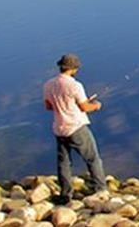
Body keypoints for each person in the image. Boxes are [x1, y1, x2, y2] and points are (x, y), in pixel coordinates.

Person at [43, 53, 107, 203]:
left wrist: (65, 105)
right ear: (74, 69)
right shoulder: (75, 85)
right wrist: (96, 106)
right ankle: (100, 189)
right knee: (92, 158)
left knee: (64, 162)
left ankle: (66, 194)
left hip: (59, 128)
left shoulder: (48, 84)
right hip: (76, 127)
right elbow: (85, 107)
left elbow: (48, 106)